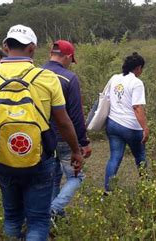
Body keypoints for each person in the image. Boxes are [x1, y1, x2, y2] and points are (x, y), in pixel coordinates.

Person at [0, 24, 82, 240]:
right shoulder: (47, 78)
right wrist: (76, 151)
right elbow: (63, 121)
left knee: (12, 216)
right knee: (38, 220)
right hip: (40, 160)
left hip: (2, 160)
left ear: (5, 46)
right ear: (32, 48)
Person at [42, 40, 92, 221]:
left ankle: (55, 216)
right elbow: (76, 115)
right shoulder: (69, 78)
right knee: (76, 177)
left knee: (53, 178)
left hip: (42, 138)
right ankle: (53, 210)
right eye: (72, 60)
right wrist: (82, 143)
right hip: (64, 138)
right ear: (68, 56)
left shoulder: (35, 75)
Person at [104, 52, 149, 192]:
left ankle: (108, 191)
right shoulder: (136, 83)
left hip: (113, 124)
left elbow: (105, 97)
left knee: (115, 157)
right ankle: (146, 186)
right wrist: (145, 128)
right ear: (138, 68)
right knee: (140, 156)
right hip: (130, 127)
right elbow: (137, 107)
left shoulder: (114, 78)